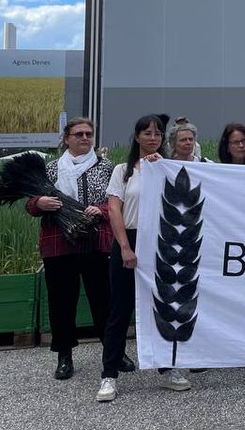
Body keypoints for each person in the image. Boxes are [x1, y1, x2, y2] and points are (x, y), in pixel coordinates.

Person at [97, 114, 188, 402]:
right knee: (120, 310)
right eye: (147, 133)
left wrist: (163, 167)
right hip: (130, 241)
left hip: (161, 243)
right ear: (136, 136)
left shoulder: (168, 168)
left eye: (158, 133)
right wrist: (124, 247)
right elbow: (114, 210)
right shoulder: (122, 171)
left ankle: (169, 367)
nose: (152, 138)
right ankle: (109, 375)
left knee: (164, 306)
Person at [25, 119, 116, 380]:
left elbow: (116, 202)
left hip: (95, 241)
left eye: (89, 134)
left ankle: (112, 351)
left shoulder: (106, 167)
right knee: (62, 302)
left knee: (103, 299)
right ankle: (64, 355)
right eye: (79, 134)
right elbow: (29, 205)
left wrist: (101, 210)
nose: (85, 138)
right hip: (58, 242)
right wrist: (39, 202)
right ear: (67, 138)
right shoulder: (51, 169)